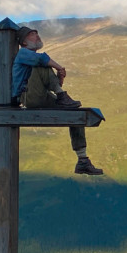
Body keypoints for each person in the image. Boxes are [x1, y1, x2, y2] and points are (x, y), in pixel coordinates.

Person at [12, 26, 103, 175]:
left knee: (74, 112)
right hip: (28, 97)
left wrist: (59, 78)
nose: (37, 36)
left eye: (37, 33)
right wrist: (59, 68)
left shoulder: (32, 57)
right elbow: (42, 60)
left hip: (40, 96)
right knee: (42, 63)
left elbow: (49, 84)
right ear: (24, 42)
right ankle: (62, 96)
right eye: (33, 35)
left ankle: (82, 160)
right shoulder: (23, 54)